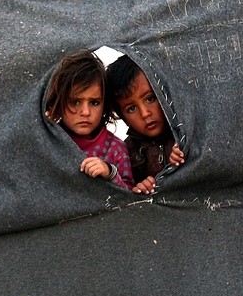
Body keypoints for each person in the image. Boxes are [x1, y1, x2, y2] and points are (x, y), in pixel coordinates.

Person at [44, 49, 134, 189]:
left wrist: (110, 173)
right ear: (59, 102)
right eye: (75, 102)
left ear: (105, 104)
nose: (85, 112)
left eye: (94, 102)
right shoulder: (47, 139)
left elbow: (131, 198)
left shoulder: (115, 149)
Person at [106, 55, 185, 194]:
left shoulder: (184, 131)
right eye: (131, 108)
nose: (145, 113)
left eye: (150, 98)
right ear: (123, 117)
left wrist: (184, 158)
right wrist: (139, 189)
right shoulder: (124, 152)